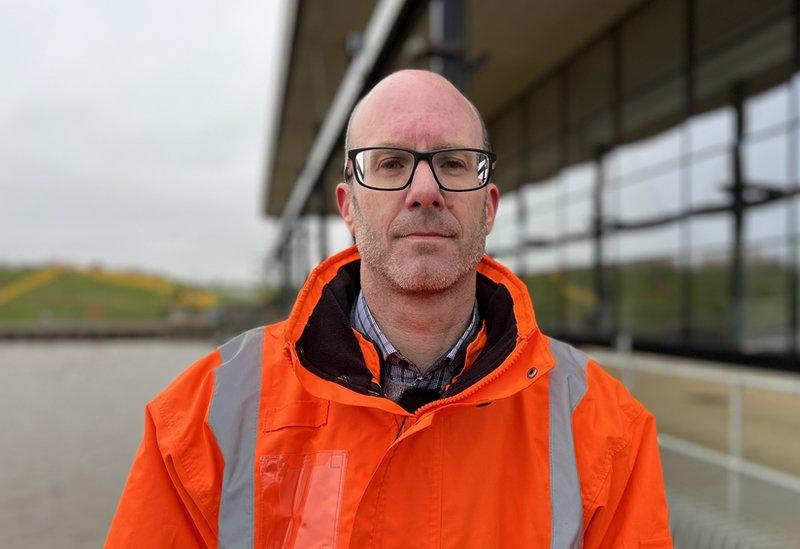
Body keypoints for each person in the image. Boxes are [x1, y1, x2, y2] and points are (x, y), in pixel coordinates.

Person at [107, 69, 672, 548]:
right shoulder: (201, 420)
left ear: (489, 206)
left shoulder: (604, 429)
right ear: (348, 207)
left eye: (453, 163)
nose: (424, 191)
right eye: (390, 163)